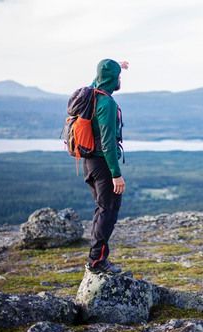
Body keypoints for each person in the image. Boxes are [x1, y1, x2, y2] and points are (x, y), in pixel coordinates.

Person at [84, 59, 128, 274]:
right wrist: (116, 174)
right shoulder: (107, 103)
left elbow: (99, 78)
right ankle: (97, 261)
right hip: (102, 162)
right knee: (108, 210)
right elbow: (109, 143)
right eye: (118, 76)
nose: (120, 80)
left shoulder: (91, 93)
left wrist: (114, 65)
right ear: (113, 79)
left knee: (102, 209)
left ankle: (97, 257)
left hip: (89, 162)